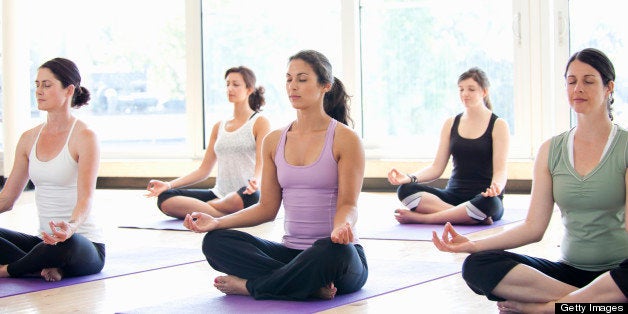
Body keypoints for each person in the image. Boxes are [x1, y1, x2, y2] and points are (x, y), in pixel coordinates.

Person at [432, 48, 628, 312]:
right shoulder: (551, 150)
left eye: (589, 81)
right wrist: (474, 244)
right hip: (568, 273)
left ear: (609, 88)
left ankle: (548, 309)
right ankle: (591, 304)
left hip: (618, 274)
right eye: (571, 81)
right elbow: (533, 228)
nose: (578, 88)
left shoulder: (625, 146)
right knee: (478, 264)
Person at [183, 49, 368, 301]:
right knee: (215, 242)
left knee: (334, 251)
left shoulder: (346, 139)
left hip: (334, 257)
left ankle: (253, 286)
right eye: (289, 79)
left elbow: (349, 204)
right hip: (291, 254)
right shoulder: (274, 141)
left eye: (302, 79)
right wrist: (217, 223)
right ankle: (306, 284)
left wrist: (342, 227)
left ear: (325, 85)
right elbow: (266, 208)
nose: (293, 86)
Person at [0, 58, 105, 282]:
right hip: (44, 244)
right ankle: (41, 266)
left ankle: (9, 269)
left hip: (81, 243)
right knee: (47, 250)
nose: (39, 91)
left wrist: (70, 226)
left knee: (67, 245)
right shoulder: (28, 138)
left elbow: (85, 200)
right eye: (37, 85)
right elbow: (7, 199)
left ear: (69, 90)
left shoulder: (85, 137)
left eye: (47, 85)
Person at [387, 67, 510, 225]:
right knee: (405, 190)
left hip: (483, 198)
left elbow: (501, 170)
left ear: (484, 92)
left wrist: (496, 188)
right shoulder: (451, 123)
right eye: (461, 89)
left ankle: (425, 218)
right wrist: (409, 178)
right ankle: (466, 216)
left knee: (489, 204)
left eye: (471, 89)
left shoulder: (499, 124)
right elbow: (436, 168)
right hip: (453, 196)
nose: (465, 94)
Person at [145, 66, 271, 219]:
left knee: (249, 197)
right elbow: (203, 171)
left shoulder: (260, 122)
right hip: (218, 194)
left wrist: (256, 181)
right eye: (227, 84)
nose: (230, 88)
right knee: (165, 198)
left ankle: (207, 210)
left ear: (249, 89)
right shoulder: (219, 126)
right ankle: (222, 215)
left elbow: (262, 162)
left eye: (236, 84)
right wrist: (168, 185)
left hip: (244, 194)